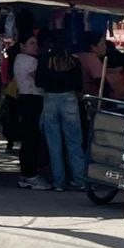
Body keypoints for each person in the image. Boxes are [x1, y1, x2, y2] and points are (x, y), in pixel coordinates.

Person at [36, 48, 86, 191]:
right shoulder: (73, 61)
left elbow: (38, 82)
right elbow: (79, 84)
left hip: (50, 98)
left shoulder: (45, 60)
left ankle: (58, 181)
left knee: (54, 144)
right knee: (74, 142)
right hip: (69, 98)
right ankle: (79, 179)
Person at [13, 35, 50, 190]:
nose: (36, 46)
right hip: (31, 99)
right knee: (31, 138)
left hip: (26, 99)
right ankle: (31, 175)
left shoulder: (19, 59)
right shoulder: (29, 61)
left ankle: (26, 174)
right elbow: (40, 80)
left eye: (36, 43)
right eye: (32, 43)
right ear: (22, 45)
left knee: (28, 139)